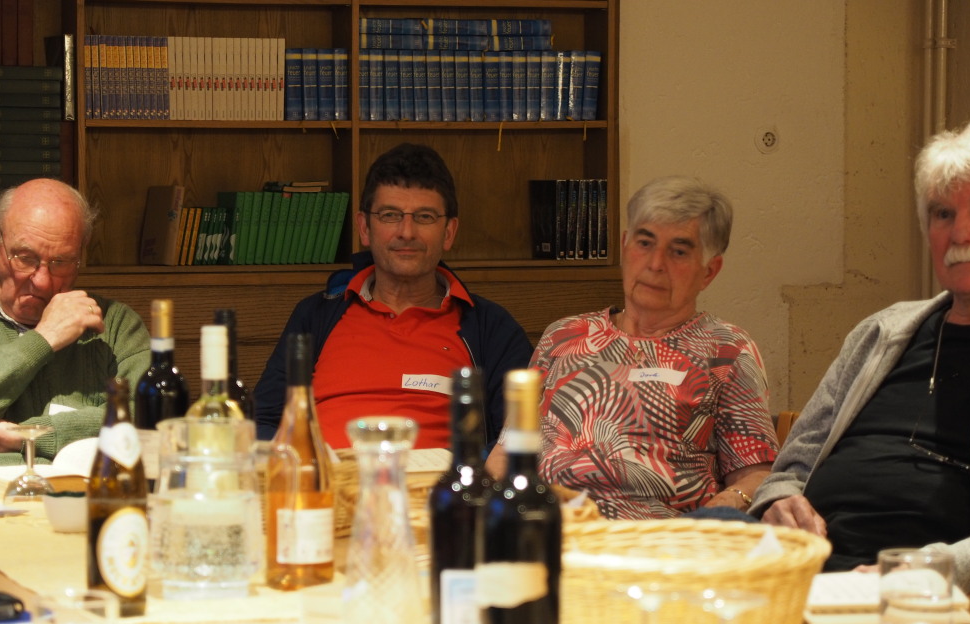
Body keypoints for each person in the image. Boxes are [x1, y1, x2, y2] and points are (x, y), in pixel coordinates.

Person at [750, 120, 970, 596]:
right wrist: (779, 500)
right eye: (942, 213)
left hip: (920, 599)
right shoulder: (882, 331)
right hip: (796, 574)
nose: (961, 232)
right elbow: (791, 466)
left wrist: (924, 570)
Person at [487, 176, 778, 519]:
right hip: (546, 527)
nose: (655, 264)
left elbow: (756, 474)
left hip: (657, 538)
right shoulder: (563, 336)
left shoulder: (727, 350)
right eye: (645, 242)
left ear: (709, 271)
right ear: (625, 246)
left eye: (679, 251)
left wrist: (720, 509)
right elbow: (505, 455)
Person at [253, 143, 533, 450]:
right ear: (364, 227)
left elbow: (519, 437)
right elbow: (265, 420)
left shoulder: (491, 328)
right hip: (327, 478)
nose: (407, 232)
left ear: (449, 232)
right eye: (390, 215)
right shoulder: (315, 316)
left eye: (425, 217)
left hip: (441, 481)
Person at [0, 178, 150, 472]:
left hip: (91, 493)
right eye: (25, 258)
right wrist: (43, 339)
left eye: (61, 262)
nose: (42, 281)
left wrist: (26, 437)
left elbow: (144, 420)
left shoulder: (117, 326)